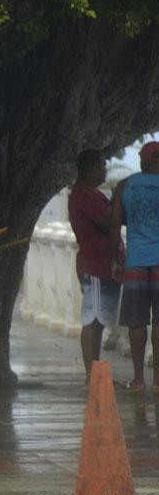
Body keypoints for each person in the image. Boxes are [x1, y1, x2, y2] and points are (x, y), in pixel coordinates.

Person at [68, 149, 123, 384]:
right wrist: (119, 204)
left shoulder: (90, 195)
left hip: (99, 265)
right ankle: (93, 375)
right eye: (102, 166)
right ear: (91, 169)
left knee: (99, 321)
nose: (104, 170)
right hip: (96, 265)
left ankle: (97, 373)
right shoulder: (85, 196)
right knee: (93, 319)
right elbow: (108, 223)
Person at [109, 141, 159, 392]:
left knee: (137, 323)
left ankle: (139, 379)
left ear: (144, 161)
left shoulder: (125, 186)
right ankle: (158, 381)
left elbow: (114, 225)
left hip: (136, 263)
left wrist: (115, 261)